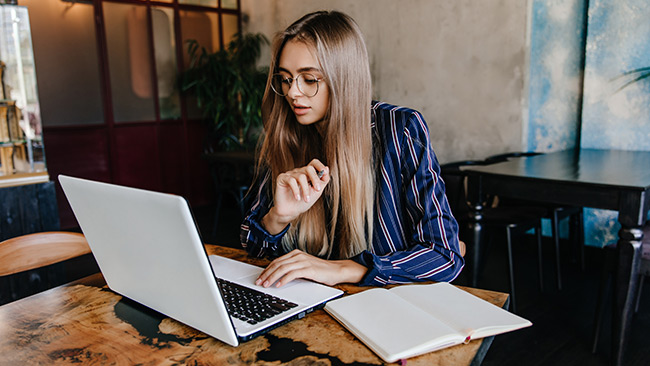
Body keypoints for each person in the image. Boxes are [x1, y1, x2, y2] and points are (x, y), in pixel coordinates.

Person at [240, 10, 464, 289]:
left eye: (309, 79)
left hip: (388, 305)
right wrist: (278, 217)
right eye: (286, 79)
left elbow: (445, 254)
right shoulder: (287, 134)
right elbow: (252, 246)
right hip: (311, 303)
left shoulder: (399, 128)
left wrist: (344, 269)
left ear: (344, 77)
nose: (292, 93)